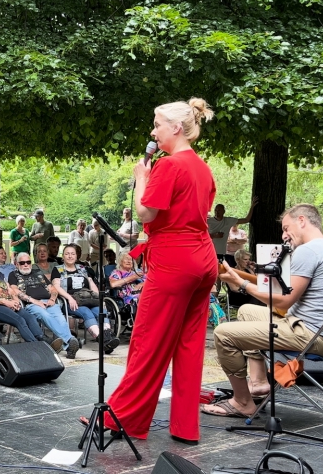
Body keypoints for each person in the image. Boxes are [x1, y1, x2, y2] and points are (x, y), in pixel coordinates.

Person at [96, 98, 218, 445]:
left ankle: (123, 419)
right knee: (190, 344)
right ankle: (184, 426)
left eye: (157, 124)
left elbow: (147, 213)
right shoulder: (202, 167)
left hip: (175, 259)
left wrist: (141, 178)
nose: (153, 131)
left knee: (148, 339)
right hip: (202, 258)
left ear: (176, 129)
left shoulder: (168, 165)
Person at [209, 204, 323, 420]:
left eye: (286, 228)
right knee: (246, 311)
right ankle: (259, 383)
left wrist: (241, 284)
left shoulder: (309, 251)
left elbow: (283, 301)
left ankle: (242, 403)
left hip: (311, 335)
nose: (284, 235)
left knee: (223, 333)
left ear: (301, 220)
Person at [0, 249, 63, 354]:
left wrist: (15, 301)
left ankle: (43, 339)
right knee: (19, 320)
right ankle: (36, 346)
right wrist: (6, 302)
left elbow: (10, 290)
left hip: (8, 305)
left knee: (29, 317)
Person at [52, 245, 119, 353]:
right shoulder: (58, 269)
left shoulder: (82, 269)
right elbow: (56, 287)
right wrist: (70, 298)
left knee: (102, 311)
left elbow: (92, 284)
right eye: (67, 254)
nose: (70, 256)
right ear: (63, 256)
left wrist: (100, 299)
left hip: (88, 299)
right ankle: (104, 341)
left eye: (72, 254)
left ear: (76, 256)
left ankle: (107, 339)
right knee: (87, 312)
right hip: (72, 301)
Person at [8, 252, 76, 356]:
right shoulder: (13, 274)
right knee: (45, 315)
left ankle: (70, 349)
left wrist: (52, 299)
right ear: (17, 264)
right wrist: (34, 301)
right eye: (22, 263)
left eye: (28, 262)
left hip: (48, 302)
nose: (26, 265)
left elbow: (52, 288)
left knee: (61, 319)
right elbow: (15, 290)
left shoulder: (38, 272)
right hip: (31, 305)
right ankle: (69, 340)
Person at [207, 199, 257, 266]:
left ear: (223, 211)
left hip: (221, 252)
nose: (217, 212)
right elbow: (200, 235)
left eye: (219, 210)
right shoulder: (208, 221)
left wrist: (252, 206)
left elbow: (246, 220)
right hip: (209, 251)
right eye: (215, 210)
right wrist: (214, 235)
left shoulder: (228, 221)